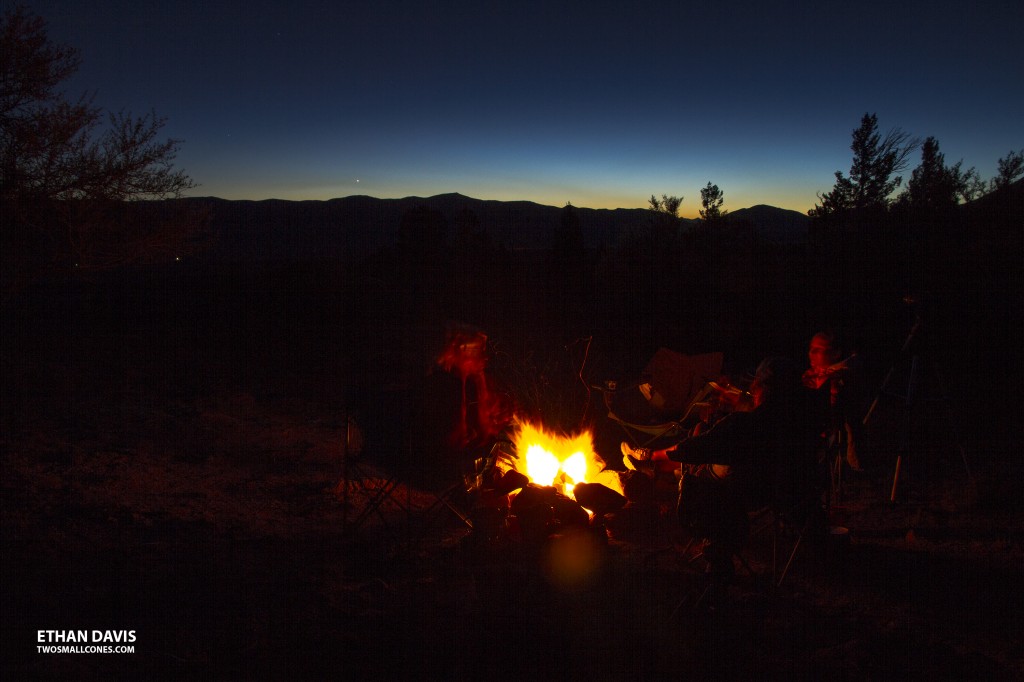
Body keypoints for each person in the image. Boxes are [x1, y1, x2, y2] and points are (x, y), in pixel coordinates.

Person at [635, 357, 826, 598]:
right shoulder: (805, 417)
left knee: (699, 462)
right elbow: (767, 420)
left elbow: (691, 451)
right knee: (710, 449)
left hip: (745, 495)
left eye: (755, 385)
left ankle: (718, 562)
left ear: (763, 389)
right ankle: (654, 464)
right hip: (795, 489)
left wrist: (697, 434)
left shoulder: (743, 425)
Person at [802, 331, 868, 472]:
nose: (811, 353)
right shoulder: (815, 374)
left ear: (836, 353)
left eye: (818, 350)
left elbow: (829, 414)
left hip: (824, 429)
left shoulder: (839, 377)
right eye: (811, 349)